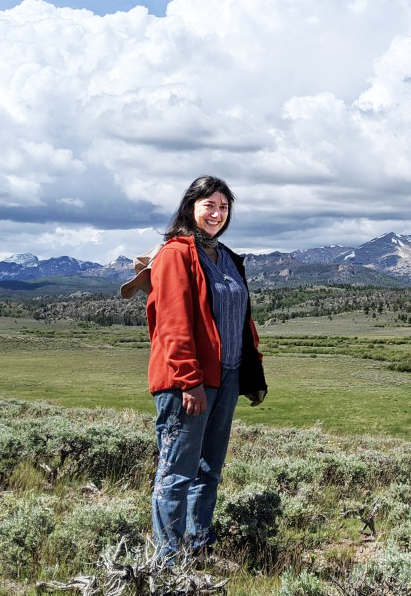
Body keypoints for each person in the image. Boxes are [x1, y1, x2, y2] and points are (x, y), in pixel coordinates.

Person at [142, 175, 268, 559]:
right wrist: (188, 381)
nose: (216, 213)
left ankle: (198, 545)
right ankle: (167, 559)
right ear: (191, 207)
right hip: (188, 382)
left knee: (209, 469)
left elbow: (242, 320)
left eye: (223, 207)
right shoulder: (176, 254)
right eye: (208, 205)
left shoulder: (227, 257)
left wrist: (251, 373)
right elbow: (172, 323)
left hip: (226, 377)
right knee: (176, 471)